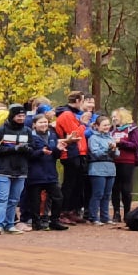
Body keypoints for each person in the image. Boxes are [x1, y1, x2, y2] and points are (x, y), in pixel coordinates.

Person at [0, 104, 34, 234]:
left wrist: (26, 149)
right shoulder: (1, 130)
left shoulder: (27, 131)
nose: (21, 118)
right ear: (12, 116)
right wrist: (12, 149)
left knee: (14, 199)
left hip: (21, 170)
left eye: (23, 116)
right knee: (2, 198)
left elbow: (32, 149)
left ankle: (10, 224)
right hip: (3, 169)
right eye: (18, 116)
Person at [22, 111, 67, 231]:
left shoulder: (52, 135)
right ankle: (36, 222)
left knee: (58, 197)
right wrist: (41, 152)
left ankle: (55, 220)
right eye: (41, 122)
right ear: (34, 124)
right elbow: (28, 154)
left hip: (50, 173)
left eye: (45, 122)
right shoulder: (29, 137)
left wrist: (58, 149)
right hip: (35, 174)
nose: (44, 124)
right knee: (35, 200)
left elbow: (54, 155)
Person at [52, 91, 88, 221]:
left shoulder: (73, 114)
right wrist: (83, 124)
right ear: (78, 101)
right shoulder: (66, 114)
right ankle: (63, 211)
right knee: (69, 184)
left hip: (79, 153)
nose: (83, 104)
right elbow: (74, 135)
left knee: (78, 184)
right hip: (70, 153)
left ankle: (72, 210)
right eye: (83, 101)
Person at [109, 107, 138, 223]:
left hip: (127, 161)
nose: (113, 119)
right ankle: (116, 213)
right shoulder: (112, 130)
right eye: (112, 117)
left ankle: (127, 212)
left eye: (115, 116)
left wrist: (120, 143)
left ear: (123, 116)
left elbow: (135, 144)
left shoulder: (132, 129)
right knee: (115, 187)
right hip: (114, 161)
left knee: (126, 188)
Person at [86, 114, 117, 225]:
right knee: (98, 193)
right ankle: (93, 217)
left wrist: (113, 150)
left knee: (107, 194)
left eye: (108, 125)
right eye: (104, 125)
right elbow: (96, 153)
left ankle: (105, 217)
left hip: (110, 169)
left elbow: (117, 154)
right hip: (97, 169)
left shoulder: (110, 137)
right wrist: (108, 149)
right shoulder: (93, 138)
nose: (106, 127)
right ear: (97, 126)